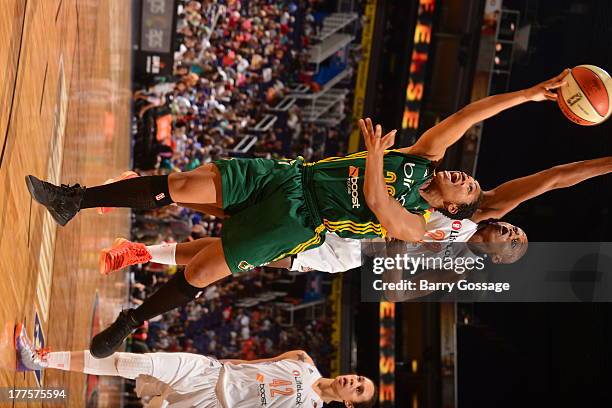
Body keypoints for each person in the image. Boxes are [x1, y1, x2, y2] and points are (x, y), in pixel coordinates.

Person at [26, 71, 568, 358]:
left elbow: (380, 206)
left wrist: (375, 158)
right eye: (467, 174)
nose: (464, 177)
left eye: (469, 187)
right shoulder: (423, 158)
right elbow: (471, 114)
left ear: (457, 208)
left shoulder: (422, 228)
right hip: (292, 177)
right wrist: (530, 95)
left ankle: (130, 322)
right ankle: (74, 200)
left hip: (303, 224)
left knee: (203, 270)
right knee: (182, 184)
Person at [15, 324, 377, 408]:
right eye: (359, 377)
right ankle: (41, 359)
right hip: (210, 372)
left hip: (211, 405)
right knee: (129, 361)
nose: (353, 381)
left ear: (349, 403)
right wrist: (215, 365)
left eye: (358, 389)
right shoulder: (304, 360)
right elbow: (252, 362)